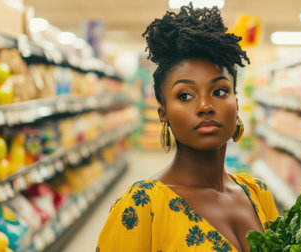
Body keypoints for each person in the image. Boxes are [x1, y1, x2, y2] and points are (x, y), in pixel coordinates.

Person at [96, 4, 279, 252]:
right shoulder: (142, 205)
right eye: (185, 95)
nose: (205, 106)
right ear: (164, 113)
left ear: (236, 104)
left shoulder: (257, 193)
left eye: (220, 91)